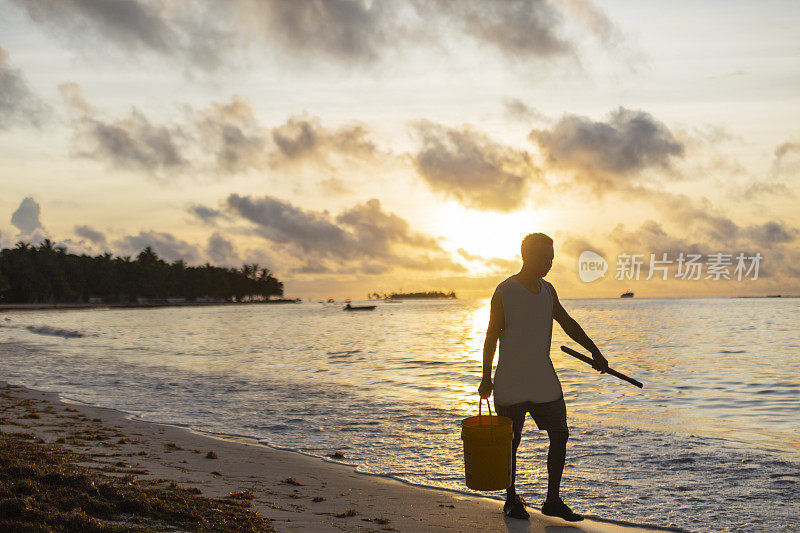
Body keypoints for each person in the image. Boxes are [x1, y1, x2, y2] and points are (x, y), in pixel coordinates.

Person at [478, 233, 608, 522]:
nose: (549, 263)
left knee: (560, 434)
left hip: (541, 376)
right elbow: (490, 337)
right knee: (511, 442)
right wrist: (486, 378)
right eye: (543, 257)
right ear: (526, 256)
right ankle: (511, 500)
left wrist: (595, 351)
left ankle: (552, 500)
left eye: (552, 257)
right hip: (511, 379)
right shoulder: (505, 291)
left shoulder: (548, 290)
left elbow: (567, 322)